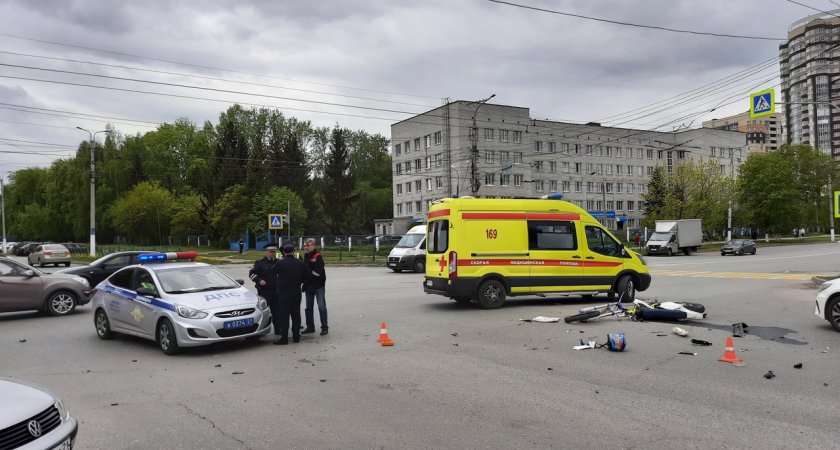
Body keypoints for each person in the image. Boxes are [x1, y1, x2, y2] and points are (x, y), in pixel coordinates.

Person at [274, 243, 308, 345]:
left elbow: (272, 273)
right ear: (294, 252)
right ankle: (296, 337)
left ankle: (284, 338)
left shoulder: (280, 263)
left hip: (284, 292)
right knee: (296, 315)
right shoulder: (300, 263)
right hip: (296, 291)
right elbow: (307, 276)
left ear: (284, 252)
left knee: (284, 315)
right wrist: (302, 284)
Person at [249, 243, 281, 342]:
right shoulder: (260, 263)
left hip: (276, 291)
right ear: (266, 252)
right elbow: (252, 274)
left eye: (274, 251)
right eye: (271, 251)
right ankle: (261, 330)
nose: (273, 253)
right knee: (263, 312)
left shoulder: (278, 262)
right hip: (264, 292)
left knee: (277, 312)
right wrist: (259, 280)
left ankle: (278, 330)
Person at [301, 238, 328, 336]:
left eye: (308, 245)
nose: (306, 247)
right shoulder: (306, 256)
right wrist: (305, 282)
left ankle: (324, 327)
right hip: (309, 286)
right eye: (305, 245)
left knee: (321, 307)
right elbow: (305, 272)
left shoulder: (318, 256)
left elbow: (317, 273)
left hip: (318, 286)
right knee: (308, 308)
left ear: (314, 246)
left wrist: (307, 278)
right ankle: (310, 327)